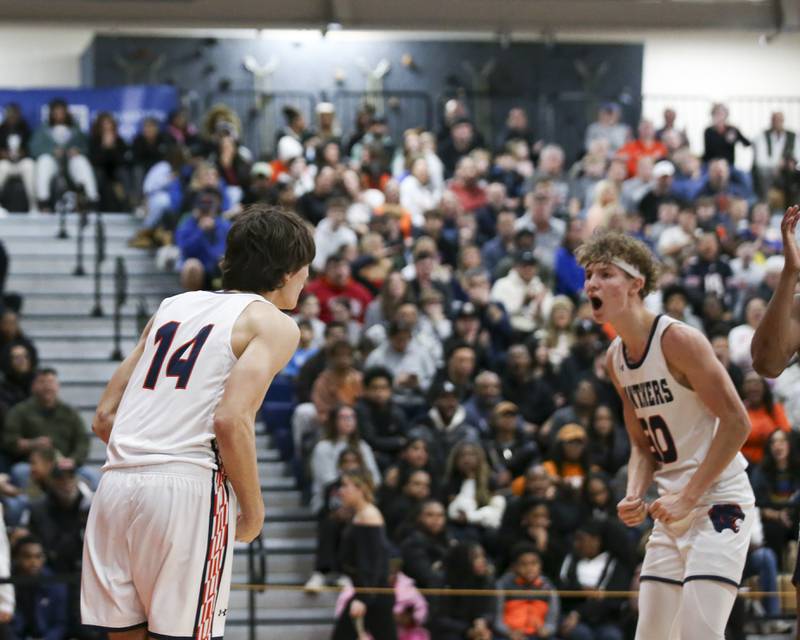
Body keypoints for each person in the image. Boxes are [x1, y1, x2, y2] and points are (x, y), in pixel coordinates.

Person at [80, 206, 314, 640]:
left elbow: (104, 417)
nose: (306, 280)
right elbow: (230, 419)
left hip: (115, 485)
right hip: (187, 490)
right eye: (305, 269)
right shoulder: (275, 324)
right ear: (286, 272)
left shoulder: (172, 306)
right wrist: (254, 512)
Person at [578, 230, 754, 640]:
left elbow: (737, 422)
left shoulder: (677, 339)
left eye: (605, 273)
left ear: (636, 284)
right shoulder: (615, 358)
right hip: (670, 507)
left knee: (699, 635)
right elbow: (641, 443)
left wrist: (689, 496)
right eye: (589, 275)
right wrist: (635, 491)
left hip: (718, 501)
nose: (592, 284)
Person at [332, 469, 397, 640]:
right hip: (370, 593)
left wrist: (363, 598)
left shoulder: (368, 516)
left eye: (346, 486)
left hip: (373, 595)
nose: (341, 491)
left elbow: (372, 563)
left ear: (361, 488)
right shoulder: (361, 515)